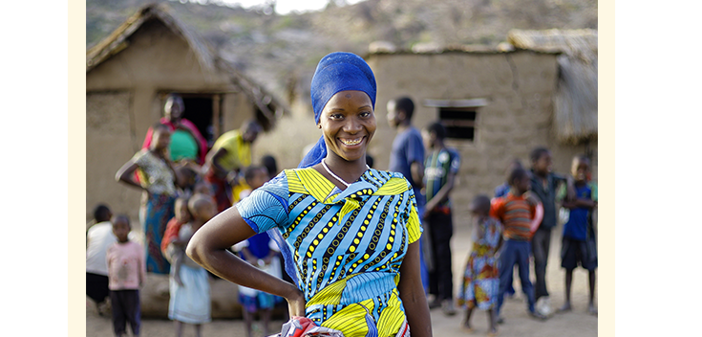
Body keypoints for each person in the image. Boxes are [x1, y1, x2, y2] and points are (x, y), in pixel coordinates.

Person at [186, 52, 431, 337]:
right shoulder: (290, 191)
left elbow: (412, 292)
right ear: (319, 120)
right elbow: (202, 247)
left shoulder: (397, 191)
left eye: (363, 113)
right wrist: (288, 292)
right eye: (337, 115)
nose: (352, 127)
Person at [115, 122, 178, 275]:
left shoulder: (164, 158)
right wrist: (145, 188)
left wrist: (169, 162)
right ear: (153, 136)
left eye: (168, 138)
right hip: (155, 204)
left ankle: (167, 274)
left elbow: (177, 181)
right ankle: (152, 276)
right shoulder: (144, 156)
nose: (165, 141)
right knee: (153, 238)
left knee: (167, 237)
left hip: (170, 203)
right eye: (162, 137)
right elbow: (121, 175)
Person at [232, 165, 283, 337]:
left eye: (265, 175)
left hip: (267, 257)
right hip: (248, 259)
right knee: (249, 298)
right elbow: (235, 234)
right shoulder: (241, 202)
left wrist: (272, 254)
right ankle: (249, 332)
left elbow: (279, 231)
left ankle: (265, 329)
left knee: (267, 299)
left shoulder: (272, 200)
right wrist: (248, 256)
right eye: (260, 176)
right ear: (249, 181)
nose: (265, 179)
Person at [490, 167, 547, 323]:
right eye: (526, 181)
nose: (529, 184)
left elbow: (535, 217)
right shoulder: (505, 202)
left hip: (524, 245)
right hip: (509, 244)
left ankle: (532, 308)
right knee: (503, 278)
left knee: (526, 279)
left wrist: (536, 204)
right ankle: (496, 312)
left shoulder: (528, 202)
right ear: (516, 182)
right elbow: (493, 214)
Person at [386, 95, 430, 295]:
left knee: (414, 252)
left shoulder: (411, 135)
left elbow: (416, 168)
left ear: (401, 114)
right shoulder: (403, 135)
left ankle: (421, 292)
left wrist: (419, 188)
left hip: (410, 203)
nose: (388, 117)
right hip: (401, 203)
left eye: (390, 112)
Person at [528, 146, 574, 316]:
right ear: (534, 163)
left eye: (551, 161)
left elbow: (566, 177)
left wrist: (569, 184)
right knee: (539, 260)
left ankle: (538, 290)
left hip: (548, 226)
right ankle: (542, 294)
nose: (550, 164)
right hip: (535, 228)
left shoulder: (552, 177)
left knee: (544, 262)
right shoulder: (529, 179)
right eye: (546, 160)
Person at [421, 121, 460, 315]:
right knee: (431, 256)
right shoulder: (429, 158)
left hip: (442, 214)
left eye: (426, 135)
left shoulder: (451, 155)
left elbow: (449, 185)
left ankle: (448, 298)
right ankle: (434, 295)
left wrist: (430, 205)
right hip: (428, 216)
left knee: (444, 255)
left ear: (434, 134)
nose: (425, 139)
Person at [169, 194, 216, 337]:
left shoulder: (207, 229)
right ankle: (178, 333)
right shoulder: (188, 229)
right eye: (207, 209)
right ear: (197, 213)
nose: (212, 211)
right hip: (185, 270)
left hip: (199, 271)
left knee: (200, 304)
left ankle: (198, 334)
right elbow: (180, 246)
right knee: (181, 302)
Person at [557, 155, 598, 316]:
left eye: (585, 169)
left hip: (586, 235)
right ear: (572, 171)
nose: (581, 172)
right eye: (578, 169)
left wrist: (576, 202)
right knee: (568, 268)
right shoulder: (566, 187)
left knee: (591, 268)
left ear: (589, 171)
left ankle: (591, 302)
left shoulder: (592, 187)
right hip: (569, 234)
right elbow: (561, 202)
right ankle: (567, 301)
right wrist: (580, 199)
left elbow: (594, 204)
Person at [457, 195, 503, 336]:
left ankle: (492, 326)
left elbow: (488, 237)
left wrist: (495, 253)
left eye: (474, 213)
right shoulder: (488, 223)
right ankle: (466, 321)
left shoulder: (492, 224)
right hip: (475, 266)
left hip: (487, 266)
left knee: (489, 296)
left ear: (482, 212)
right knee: (471, 296)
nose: (473, 217)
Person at [204, 119, 263, 212]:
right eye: (254, 135)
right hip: (214, 178)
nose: (255, 138)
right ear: (246, 131)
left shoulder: (246, 145)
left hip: (226, 181)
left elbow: (241, 166)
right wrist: (227, 174)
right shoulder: (232, 141)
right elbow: (211, 159)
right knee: (214, 208)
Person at [141, 93, 208, 165]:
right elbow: (147, 149)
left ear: (183, 108)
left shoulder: (188, 125)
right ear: (165, 108)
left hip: (189, 164)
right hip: (165, 164)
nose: (175, 109)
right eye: (172, 106)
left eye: (178, 106)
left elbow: (202, 145)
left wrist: (189, 131)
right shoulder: (160, 127)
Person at [106, 215, 146, 337]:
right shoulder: (111, 249)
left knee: (133, 314)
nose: (120, 231)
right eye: (117, 228)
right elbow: (109, 267)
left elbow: (141, 265)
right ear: (113, 231)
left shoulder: (137, 247)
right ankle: (120, 333)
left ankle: (136, 333)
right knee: (118, 315)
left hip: (131, 287)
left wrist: (141, 280)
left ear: (129, 228)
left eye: (123, 227)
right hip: (116, 288)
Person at [493, 158, 524, 300]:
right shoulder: (501, 191)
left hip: (518, 232)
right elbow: (496, 210)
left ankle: (512, 288)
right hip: (505, 231)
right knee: (505, 262)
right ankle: (506, 288)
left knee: (518, 262)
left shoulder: (524, 192)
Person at [86, 204, 114, 316]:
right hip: (109, 282)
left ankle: (99, 302)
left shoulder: (91, 230)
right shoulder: (117, 228)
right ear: (109, 215)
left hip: (86, 279)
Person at [162, 197, 192, 287]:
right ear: (175, 211)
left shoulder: (187, 223)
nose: (183, 214)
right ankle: (175, 274)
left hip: (178, 247)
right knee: (178, 257)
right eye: (180, 211)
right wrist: (185, 241)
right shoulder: (174, 223)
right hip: (169, 248)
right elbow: (173, 240)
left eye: (186, 212)